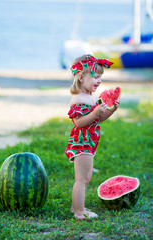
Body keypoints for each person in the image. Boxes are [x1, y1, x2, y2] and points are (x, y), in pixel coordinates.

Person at [65, 54, 120, 219]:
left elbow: (98, 120)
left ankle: (77, 207)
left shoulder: (90, 97)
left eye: (100, 77)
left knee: (86, 178)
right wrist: (96, 111)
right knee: (81, 179)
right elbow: (79, 122)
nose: (99, 81)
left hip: (89, 144)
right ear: (81, 77)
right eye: (95, 77)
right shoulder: (78, 98)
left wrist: (110, 111)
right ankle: (79, 212)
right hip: (81, 144)